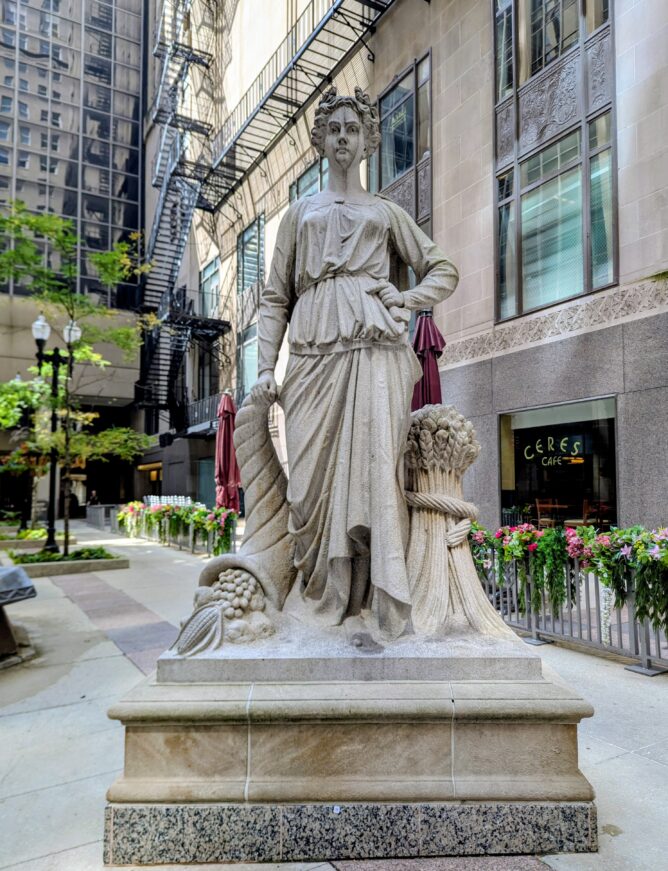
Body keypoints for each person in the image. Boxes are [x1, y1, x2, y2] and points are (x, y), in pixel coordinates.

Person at [250, 86, 458, 641]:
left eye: (352, 128)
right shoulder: (298, 215)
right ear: (321, 141)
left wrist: (406, 300)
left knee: (372, 476)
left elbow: (441, 269)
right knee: (310, 488)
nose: (343, 136)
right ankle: (319, 593)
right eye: (333, 128)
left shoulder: (387, 213)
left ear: (367, 140)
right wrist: (266, 366)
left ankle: (367, 596)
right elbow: (275, 298)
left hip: (374, 352)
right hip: (314, 354)